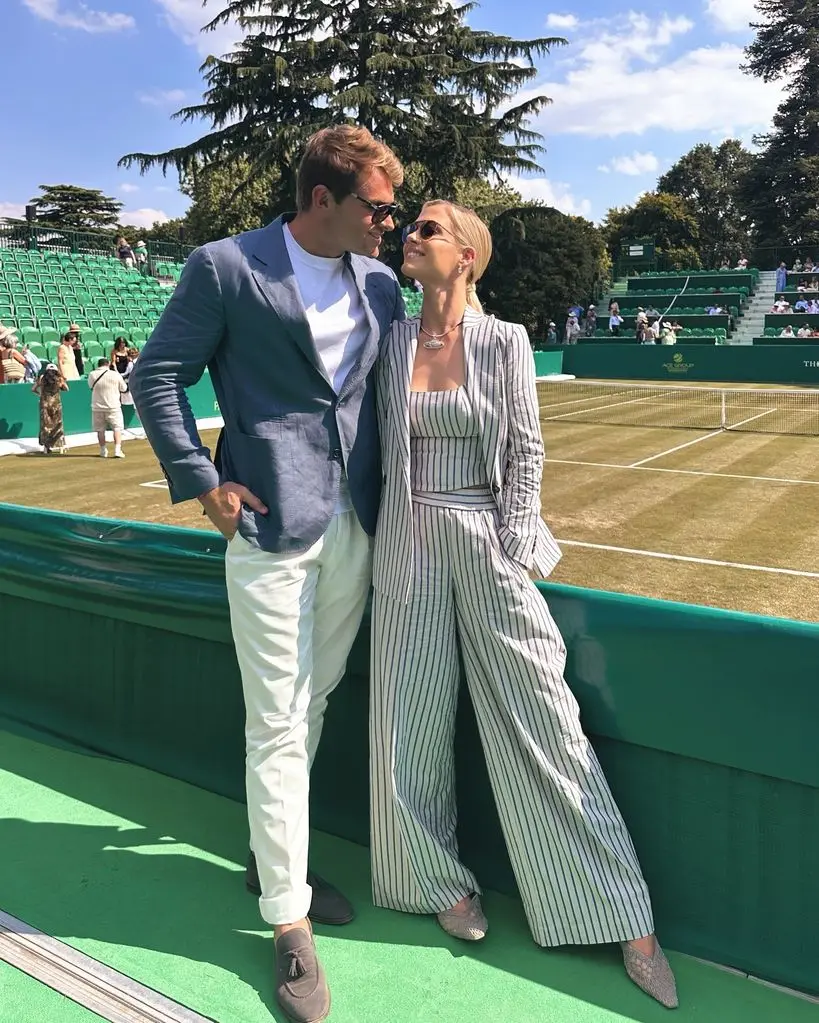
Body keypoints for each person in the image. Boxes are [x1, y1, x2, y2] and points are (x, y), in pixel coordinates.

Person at [369, 200, 678, 1011]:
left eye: (428, 229)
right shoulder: (391, 340)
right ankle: (434, 881)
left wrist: (509, 547)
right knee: (403, 723)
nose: (412, 235)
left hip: (486, 540)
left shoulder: (505, 342)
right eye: (412, 227)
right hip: (406, 548)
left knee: (545, 723)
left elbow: (527, 451)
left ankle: (621, 913)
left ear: (467, 254)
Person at [129, 124, 405, 1023]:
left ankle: (268, 852)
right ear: (321, 198)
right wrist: (203, 482)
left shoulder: (381, 284)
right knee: (278, 720)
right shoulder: (225, 265)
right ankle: (287, 921)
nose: (387, 221)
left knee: (313, 701)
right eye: (375, 205)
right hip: (269, 526)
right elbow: (158, 375)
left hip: (355, 523)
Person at [88, 357, 128, 458]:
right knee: (117, 428)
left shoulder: (92, 374)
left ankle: (103, 450)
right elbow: (124, 388)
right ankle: (117, 450)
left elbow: (90, 386)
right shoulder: (115, 374)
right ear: (108, 364)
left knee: (100, 430)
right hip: (113, 406)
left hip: (97, 406)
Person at [32, 363, 68, 454]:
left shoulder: (41, 378)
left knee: (45, 426)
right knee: (57, 425)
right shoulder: (59, 379)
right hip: (56, 405)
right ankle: (60, 445)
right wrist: (62, 381)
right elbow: (67, 389)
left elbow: (33, 389)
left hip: (44, 404)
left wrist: (40, 394)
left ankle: (46, 447)